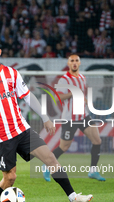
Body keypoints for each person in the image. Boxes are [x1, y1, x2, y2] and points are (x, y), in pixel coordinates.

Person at [0, 36, 93, 202]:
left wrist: (45, 116)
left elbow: (28, 96)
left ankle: (73, 197)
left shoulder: (12, 74)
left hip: (21, 129)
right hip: (0, 137)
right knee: (10, 178)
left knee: (50, 159)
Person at [42, 54, 105, 182]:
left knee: (97, 141)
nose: (74, 63)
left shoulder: (82, 78)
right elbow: (58, 98)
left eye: (77, 60)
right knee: (64, 147)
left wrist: (85, 99)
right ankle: (47, 165)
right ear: (68, 64)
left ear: (80, 63)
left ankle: (93, 171)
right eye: (72, 61)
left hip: (83, 115)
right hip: (70, 118)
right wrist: (72, 92)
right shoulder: (64, 80)